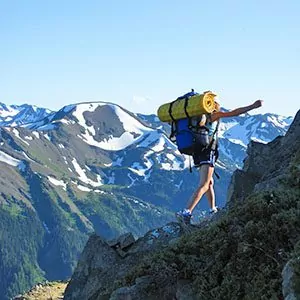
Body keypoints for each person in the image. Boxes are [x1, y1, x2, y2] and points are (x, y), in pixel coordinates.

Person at [176, 99, 263, 224]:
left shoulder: (195, 118)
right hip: (207, 151)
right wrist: (253, 106)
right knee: (204, 184)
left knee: (209, 182)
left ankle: (212, 209)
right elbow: (235, 113)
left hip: (197, 151)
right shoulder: (213, 115)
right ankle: (186, 212)